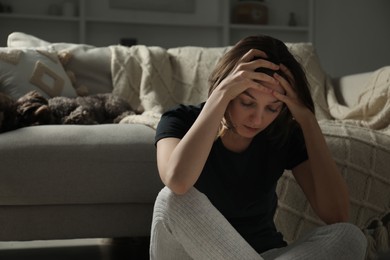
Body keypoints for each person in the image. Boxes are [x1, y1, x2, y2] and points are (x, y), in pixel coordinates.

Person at [150, 35, 367, 259]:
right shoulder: (179, 120)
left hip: (265, 252)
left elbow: (337, 214)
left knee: (349, 235)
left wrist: (307, 119)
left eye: (272, 108)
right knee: (172, 199)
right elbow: (177, 181)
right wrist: (220, 95)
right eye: (247, 102)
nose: (257, 119)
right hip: (196, 254)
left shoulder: (282, 133)